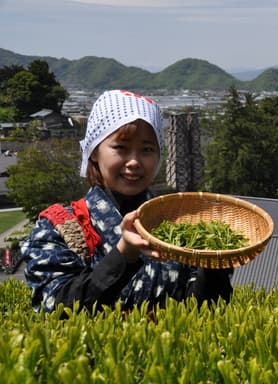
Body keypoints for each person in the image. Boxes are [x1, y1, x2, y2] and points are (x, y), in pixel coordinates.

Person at [21, 89, 233, 312]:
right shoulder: (61, 227)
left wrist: (213, 263)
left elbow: (205, 311)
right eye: (120, 147)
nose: (134, 161)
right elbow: (56, 307)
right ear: (94, 151)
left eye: (147, 149)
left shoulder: (179, 226)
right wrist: (124, 254)